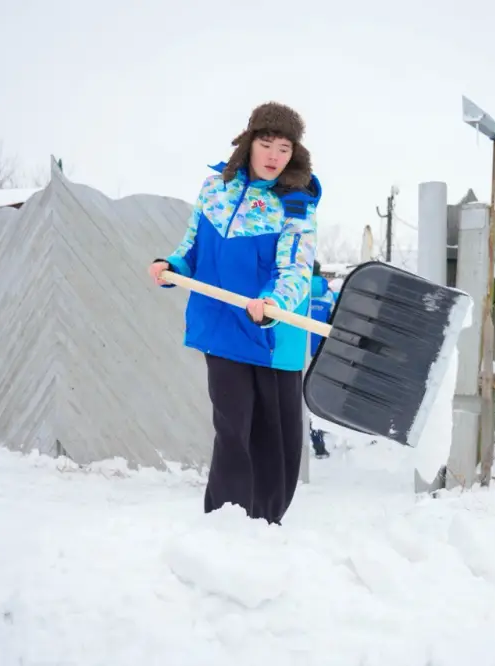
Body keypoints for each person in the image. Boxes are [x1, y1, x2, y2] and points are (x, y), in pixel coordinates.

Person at [148, 101, 321, 525]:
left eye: (284, 148)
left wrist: (274, 303)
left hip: (270, 336)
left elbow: (295, 267)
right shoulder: (214, 189)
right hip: (221, 326)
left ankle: (265, 523)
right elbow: (192, 247)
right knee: (232, 428)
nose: (274, 156)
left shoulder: (295, 203)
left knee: (273, 437)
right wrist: (172, 266)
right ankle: (224, 520)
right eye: (266, 143)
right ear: (248, 142)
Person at [307, 260, 336, 459]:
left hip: (298, 354)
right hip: (322, 354)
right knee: (315, 399)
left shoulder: (295, 290)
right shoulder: (329, 296)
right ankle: (319, 445)